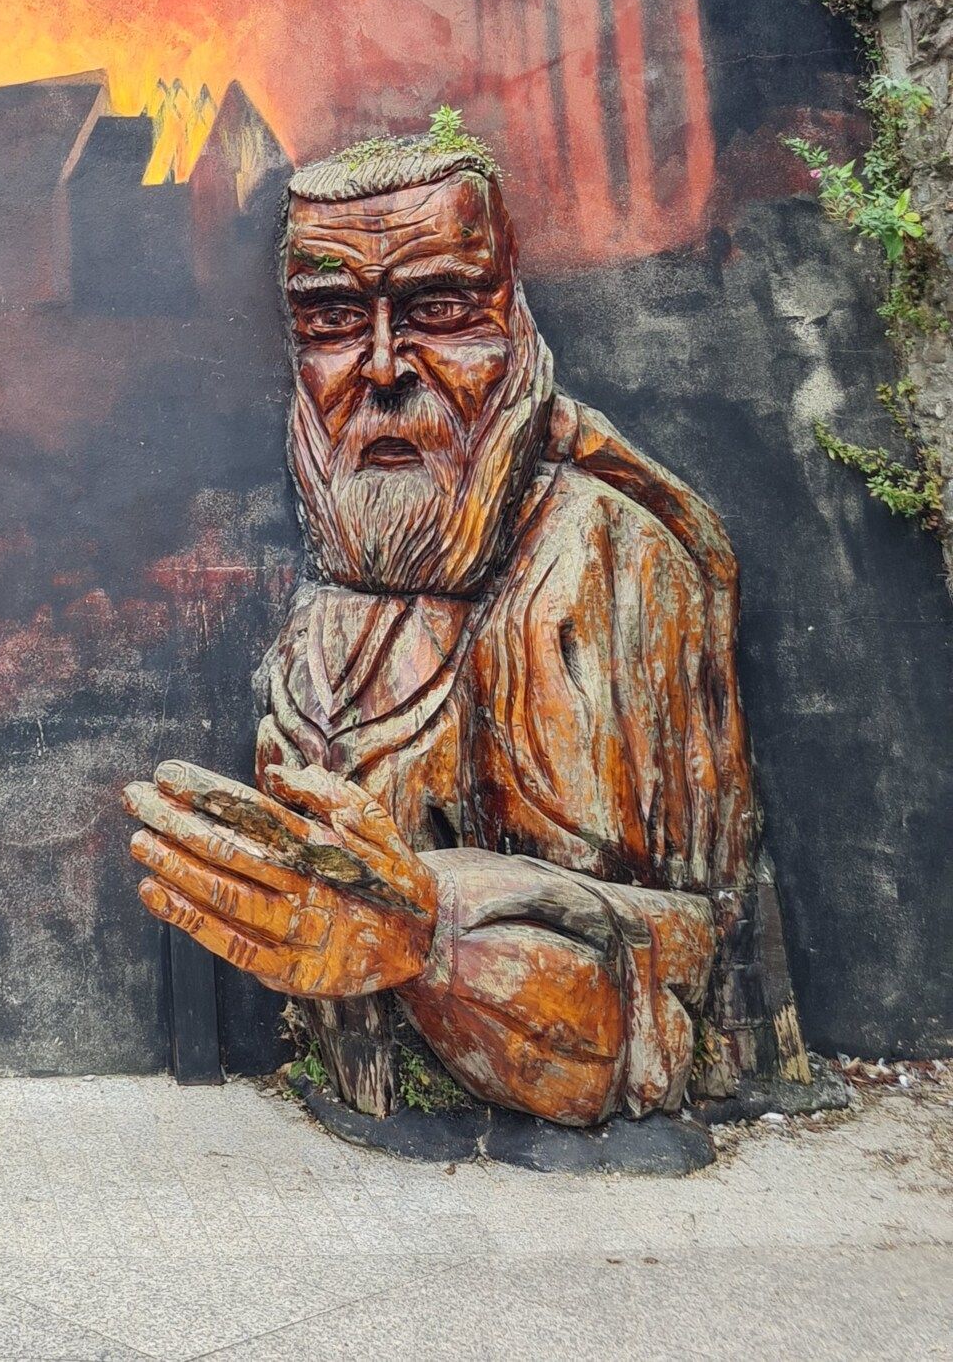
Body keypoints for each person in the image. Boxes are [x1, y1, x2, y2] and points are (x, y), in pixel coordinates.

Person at [124, 126, 802, 1128]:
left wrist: (433, 931)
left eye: (438, 310)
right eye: (331, 320)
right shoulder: (340, 572)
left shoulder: (602, 562)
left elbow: (691, 956)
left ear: (511, 319)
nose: (382, 365)